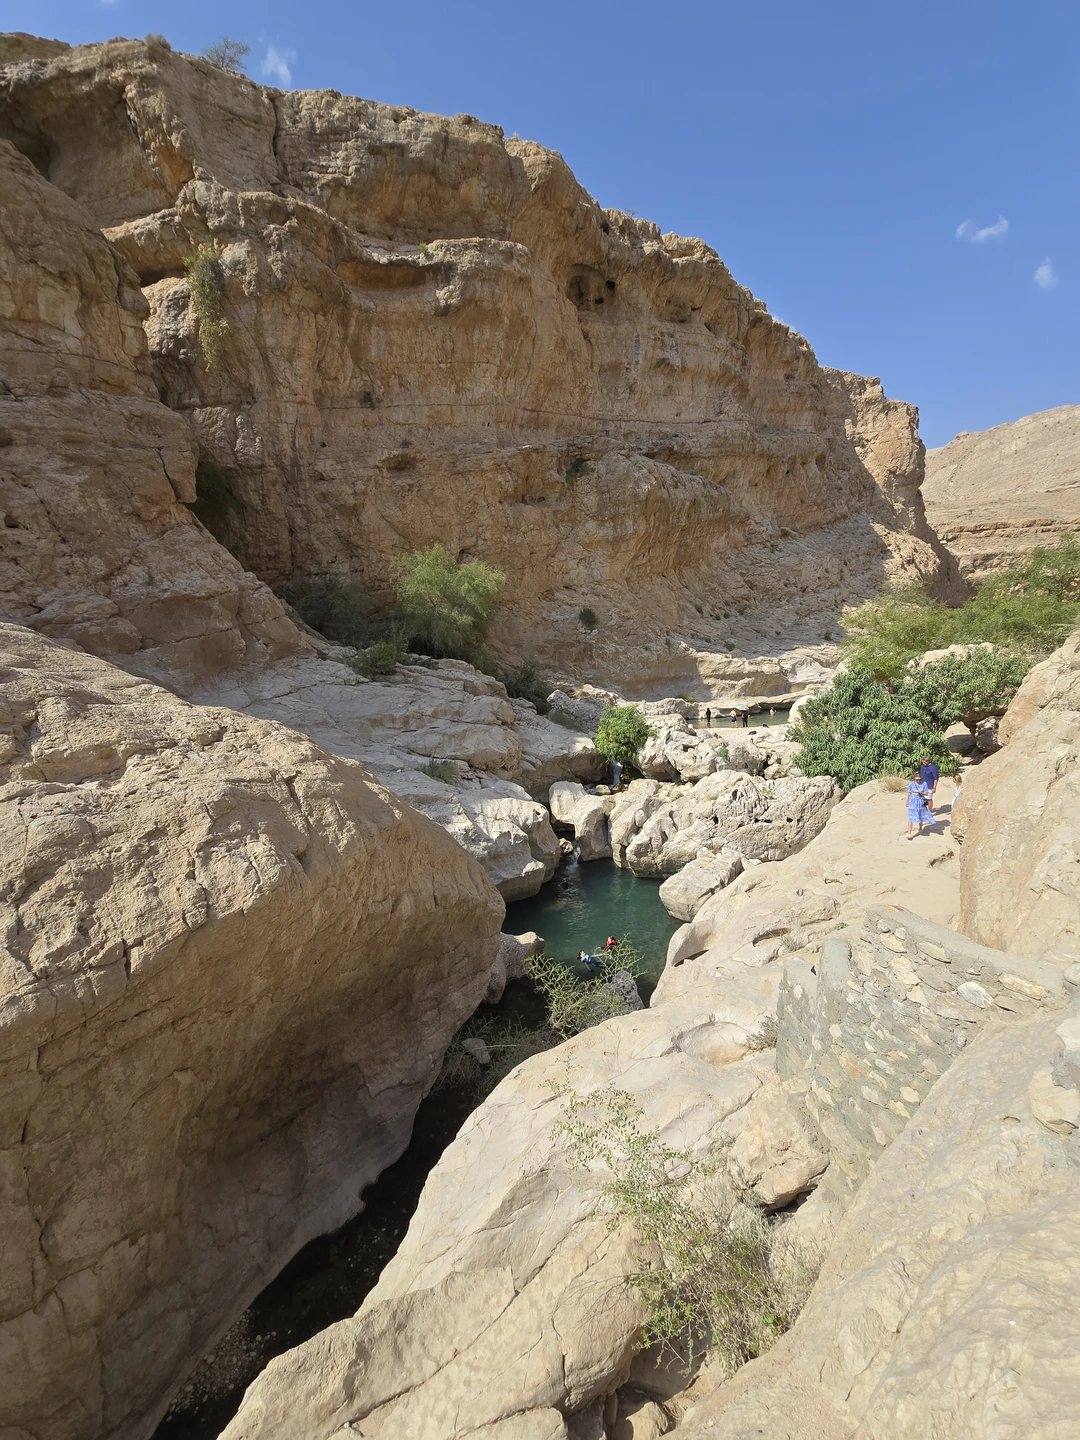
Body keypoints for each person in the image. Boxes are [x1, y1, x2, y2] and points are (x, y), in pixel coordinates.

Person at [905, 768, 933, 839]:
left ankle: (920, 827)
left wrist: (921, 792)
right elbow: (909, 792)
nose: (918, 781)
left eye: (919, 779)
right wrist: (907, 801)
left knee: (920, 815)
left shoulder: (924, 783)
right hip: (912, 801)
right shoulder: (911, 783)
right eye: (916, 779)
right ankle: (909, 833)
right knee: (911, 817)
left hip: (920, 800)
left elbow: (926, 793)